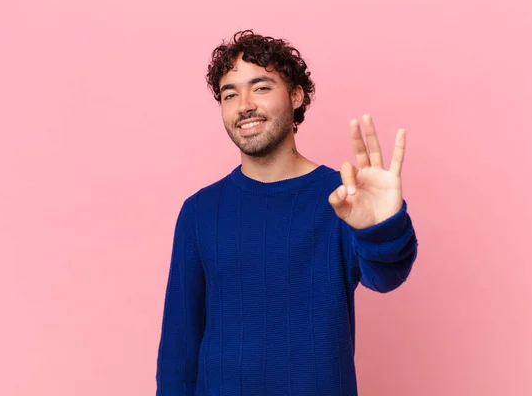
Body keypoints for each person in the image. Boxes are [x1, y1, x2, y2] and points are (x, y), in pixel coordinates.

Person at [155, 29, 418, 396]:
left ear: (296, 95)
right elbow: (179, 351)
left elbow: (386, 277)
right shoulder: (199, 212)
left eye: (261, 87)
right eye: (230, 94)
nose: (244, 104)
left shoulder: (342, 199)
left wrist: (382, 227)